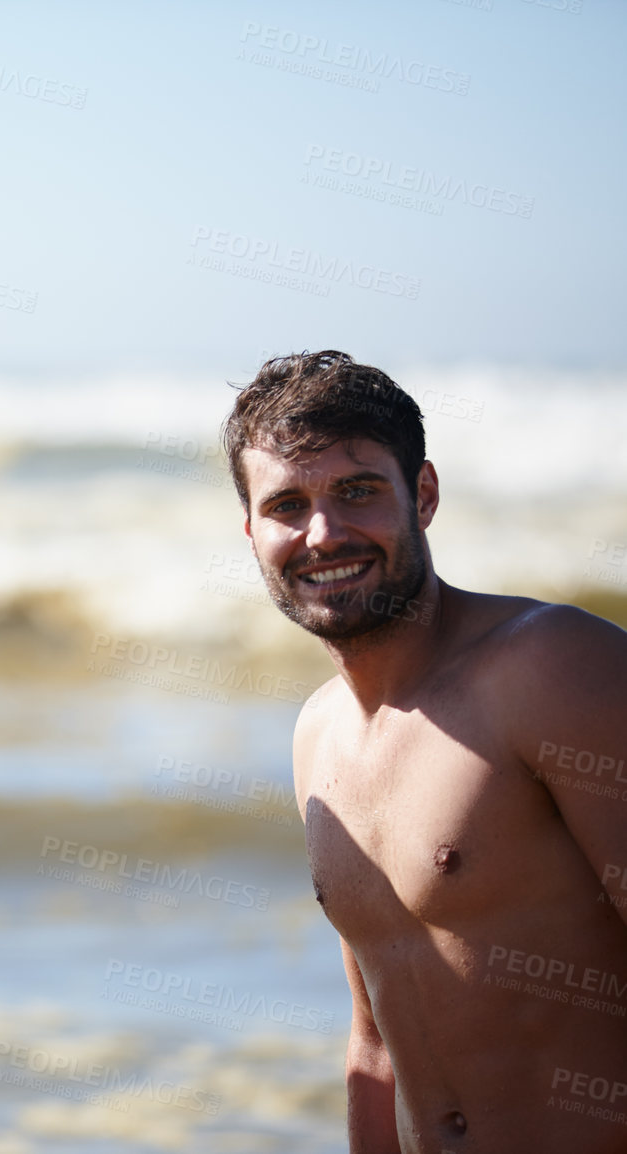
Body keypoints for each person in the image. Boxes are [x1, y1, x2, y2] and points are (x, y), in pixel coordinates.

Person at [224, 351, 627, 1152]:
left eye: (358, 490)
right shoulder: (318, 735)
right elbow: (376, 1043)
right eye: (288, 505)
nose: (324, 533)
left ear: (425, 495)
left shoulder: (553, 666)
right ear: (252, 531)